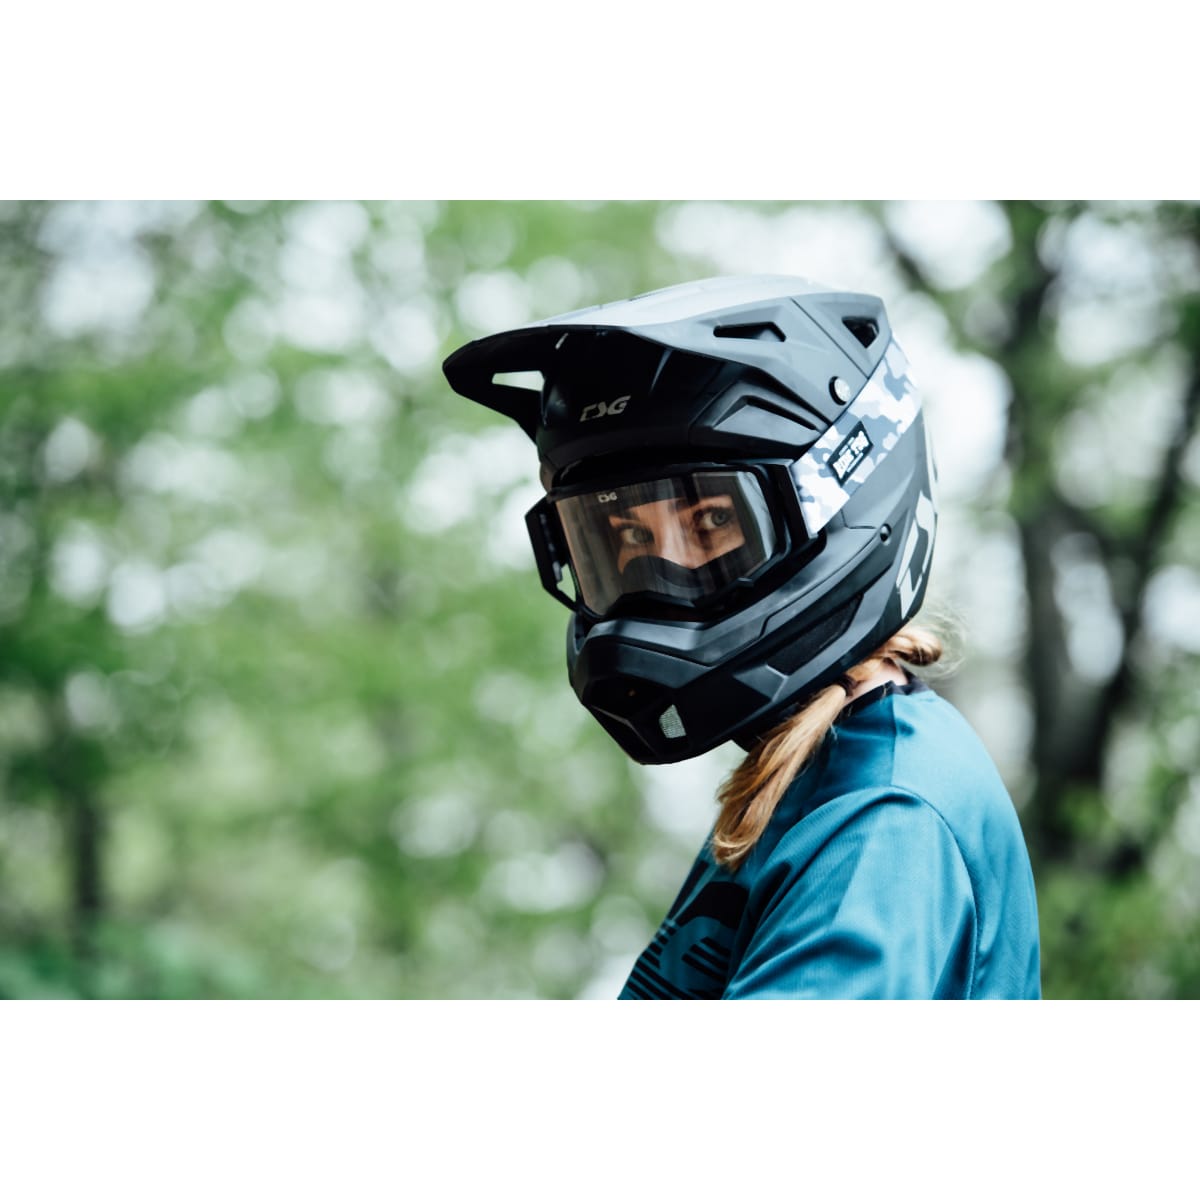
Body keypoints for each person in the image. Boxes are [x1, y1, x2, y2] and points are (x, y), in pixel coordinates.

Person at [443, 274, 1041, 999]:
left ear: (838, 495)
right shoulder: (810, 777)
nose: (656, 577)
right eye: (626, 536)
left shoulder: (881, 819)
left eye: (710, 522)